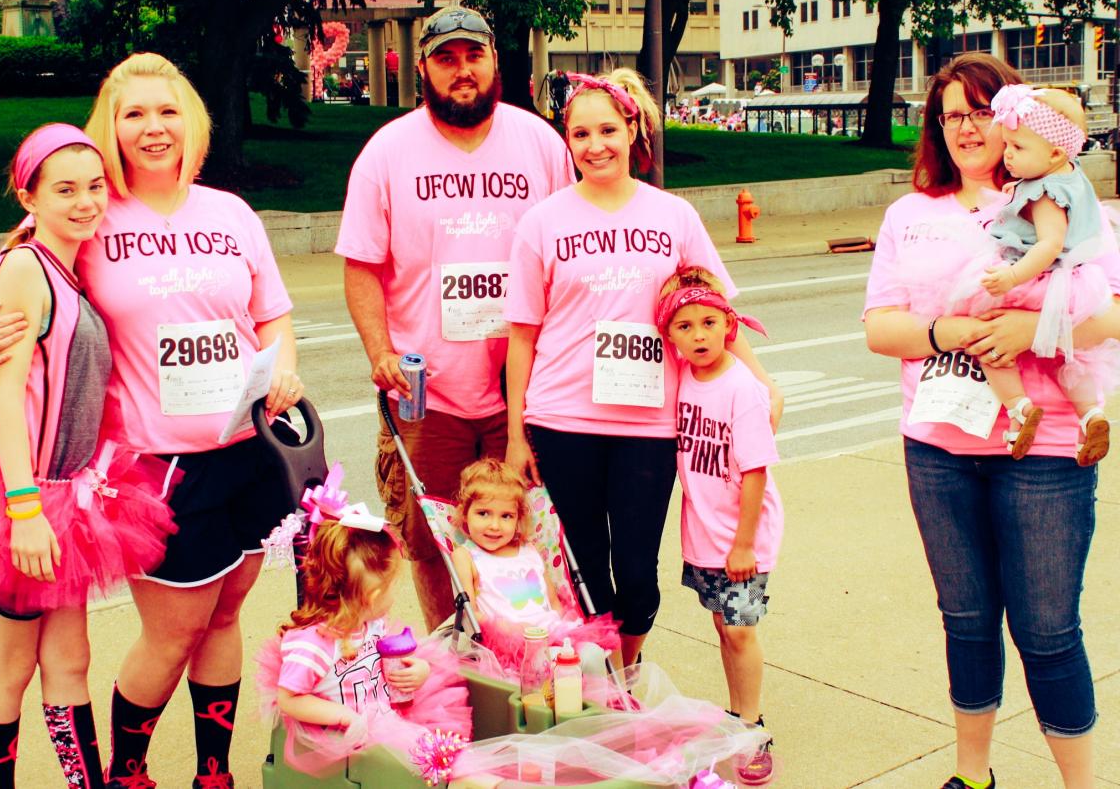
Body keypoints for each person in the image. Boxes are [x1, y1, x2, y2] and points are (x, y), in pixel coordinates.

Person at [0, 53, 302, 789]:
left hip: (251, 449)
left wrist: (287, 364)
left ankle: (214, 773)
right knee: (174, 631)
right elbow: (11, 269)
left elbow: (272, 314)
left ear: (193, 121)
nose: (154, 127)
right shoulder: (91, 207)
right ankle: (130, 773)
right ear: (109, 127)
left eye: (168, 110)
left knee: (224, 618)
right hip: (157, 466)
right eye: (134, 113)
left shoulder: (230, 213)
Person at [864, 52, 1120, 789]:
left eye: (980, 111)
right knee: (967, 620)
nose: (966, 128)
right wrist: (946, 332)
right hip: (938, 447)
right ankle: (972, 775)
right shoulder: (910, 214)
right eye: (950, 115)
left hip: (1046, 452)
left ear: (1015, 117)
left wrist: (1035, 328)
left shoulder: (1063, 200)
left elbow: (1111, 310)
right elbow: (881, 328)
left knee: (1047, 631)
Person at [0, 124, 175, 789]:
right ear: (28, 197)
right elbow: (5, 399)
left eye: (95, 187)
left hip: (69, 498)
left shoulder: (64, 264)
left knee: (70, 660)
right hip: (23, 498)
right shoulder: (26, 270)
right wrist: (24, 511)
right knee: (12, 665)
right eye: (65, 190)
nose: (86, 202)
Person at [504, 67, 782, 668]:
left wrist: (761, 381)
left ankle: (625, 667)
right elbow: (522, 335)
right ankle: (600, 680)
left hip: (649, 423)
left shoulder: (673, 216)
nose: (595, 146)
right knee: (582, 569)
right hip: (562, 419)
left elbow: (716, 310)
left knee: (636, 573)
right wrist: (515, 435)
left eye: (608, 130)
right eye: (580, 134)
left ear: (633, 130)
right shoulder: (542, 222)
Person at [337, 5, 575, 633]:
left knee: (528, 535)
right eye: (446, 59)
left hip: (522, 387)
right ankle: (452, 658)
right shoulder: (387, 152)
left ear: (495, 61)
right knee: (432, 541)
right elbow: (361, 265)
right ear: (423, 69)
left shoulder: (541, 145)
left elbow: (569, 255)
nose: (462, 70)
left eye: (474, 56)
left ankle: (523, 656)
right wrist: (380, 353)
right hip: (427, 392)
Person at [933, 84, 1112, 464]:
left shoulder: (1044, 194)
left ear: (1055, 152)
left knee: (987, 339)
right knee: (1068, 359)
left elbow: (1049, 244)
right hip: (1076, 282)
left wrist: (1012, 277)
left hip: (1036, 278)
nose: (1008, 154)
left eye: (1017, 147)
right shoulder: (1070, 175)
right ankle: (1091, 414)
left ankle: (1019, 408)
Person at [657, 266, 781, 786]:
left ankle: (752, 729)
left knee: (740, 630)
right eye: (684, 326)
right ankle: (736, 713)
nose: (699, 335)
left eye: (709, 323)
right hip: (705, 534)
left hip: (742, 537)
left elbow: (756, 471)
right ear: (670, 336)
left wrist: (743, 543)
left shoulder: (741, 388)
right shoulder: (684, 378)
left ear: (729, 325)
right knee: (723, 627)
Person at [255, 510, 471, 775]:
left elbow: (385, 665)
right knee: (443, 766)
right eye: (392, 587)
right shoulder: (314, 646)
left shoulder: (372, 625)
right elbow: (289, 698)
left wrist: (418, 670)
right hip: (355, 743)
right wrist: (343, 716)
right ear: (372, 596)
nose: (394, 595)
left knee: (447, 761)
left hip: (389, 722)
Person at [449, 457, 619, 672]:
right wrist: (506, 628)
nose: (494, 525)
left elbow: (553, 603)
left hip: (553, 634)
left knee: (592, 654)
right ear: (465, 513)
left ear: (518, 519)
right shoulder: (466, 556)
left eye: (506, 516)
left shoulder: (529, 551)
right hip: (513, 645)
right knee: (568, 666)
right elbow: (469, 613)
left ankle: (597, 694)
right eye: (483, 513)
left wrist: (565, 631)